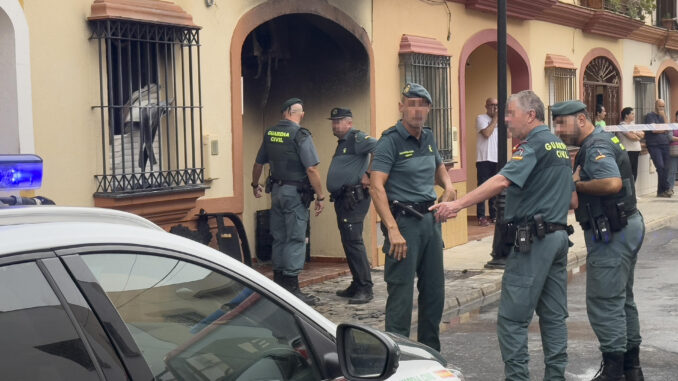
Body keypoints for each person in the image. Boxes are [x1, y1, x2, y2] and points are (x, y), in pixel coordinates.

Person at [431, 90, 575, 380]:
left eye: (511, 113)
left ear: (531, 115)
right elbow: (573, 201)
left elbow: (501, 179)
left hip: (535, 241)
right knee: (553, 317)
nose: (506, 119)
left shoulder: (532, 144)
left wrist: (457, 204)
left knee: (511, 319)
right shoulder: (559, 146)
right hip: (558, 237)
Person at [553, 100, 645, 381]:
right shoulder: (600, 141)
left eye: (562, 123)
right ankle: (632, 369)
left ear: (581, 119)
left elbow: (611, 183)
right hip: (625, 225)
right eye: (555, 123)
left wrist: (573, 184)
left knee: (605, 301)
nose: (558, 130)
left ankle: (614, 371)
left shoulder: (596, 146)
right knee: (622, 300)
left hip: (613, 233)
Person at [370, 83, 455, 351]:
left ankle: (431, 353)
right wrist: (392, 229)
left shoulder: (428, 137)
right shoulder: (389, 141)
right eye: (412, 103)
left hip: (430, 221)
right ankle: (398, 357)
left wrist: (449, 187)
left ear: (428, 109)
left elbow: (439, 167)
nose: (417, 110)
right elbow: (375, 186)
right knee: (401, 296)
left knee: (434, 293)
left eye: (422, 104)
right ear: (401, 107)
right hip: (403, 224)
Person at [251, 98, 325, 306]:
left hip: (276, 191)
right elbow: (312, 169)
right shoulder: (300, 135)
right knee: (295, 238)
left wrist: (254, 184)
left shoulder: (270, 133)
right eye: (302, 113)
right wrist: (320, 196)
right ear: (298, 114)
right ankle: (292, 288)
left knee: (279, 237)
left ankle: (279, 284)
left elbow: (258, 163)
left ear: (284, 113)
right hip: (295, 193)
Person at [326, 107, 376, 304]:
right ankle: (357, 283)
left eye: (339, 121)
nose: (335, 125)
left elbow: (380, 149)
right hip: (343, 198)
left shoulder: (357, 138)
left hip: (354, 198)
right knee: (348, 241)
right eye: (333, 121)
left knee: (354, 241)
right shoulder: (343, 142)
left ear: (349, 123)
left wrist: (369, 174)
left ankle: (365, 287)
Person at [476, 97, 499, 226]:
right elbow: (486, 133)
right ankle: (481, 216)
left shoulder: (500, 120)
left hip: (497, 158)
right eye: (492, 105)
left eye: (496, 105)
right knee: (482, 188)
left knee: (495, 189)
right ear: (486, 106)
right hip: (484, 158)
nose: (494, 108)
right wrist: (495, 118)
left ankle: (494, 215)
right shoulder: (481, 118)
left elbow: (508, 135)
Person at [643, 99, 672, 197]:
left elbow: (668, 128)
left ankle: (660, 191)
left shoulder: (663, 116)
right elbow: (654, 130)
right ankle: (667, 188)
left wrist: (663, 116)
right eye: (660, 106)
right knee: (660, 167)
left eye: (663, 106)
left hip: (665, 144)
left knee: (666, 168)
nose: (661, 108)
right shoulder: (650, 116)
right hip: (654, 145)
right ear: (655, 105)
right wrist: (664, 130)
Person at [616, 107, 644, 183]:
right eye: (632, 114)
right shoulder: (622, 125)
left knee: (634, 172)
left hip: (636, 151)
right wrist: (636, 135)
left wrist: (634, 133)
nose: (634, 115)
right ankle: (628, 192)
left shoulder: (633, 124)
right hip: (628, 151)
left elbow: (642, 134)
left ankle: (633, 192)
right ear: (626, 115)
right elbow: (631, 137)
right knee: (628, 172)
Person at [668, 111, 678, 194]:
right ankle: (670, 188)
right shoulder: (672, 126)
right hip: (674, 150)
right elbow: (670, 137)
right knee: (672, 170)